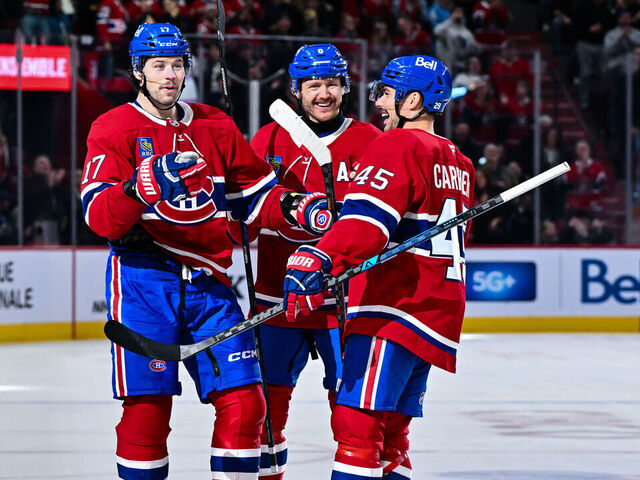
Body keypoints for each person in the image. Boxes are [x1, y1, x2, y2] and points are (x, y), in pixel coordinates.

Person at [81, 23, 332, 480]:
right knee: (148, 411)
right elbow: (99, 216)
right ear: (139, 72)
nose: (169, 76)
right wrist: (141, 187)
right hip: (143, 281)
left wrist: (295, 206)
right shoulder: (113, 127)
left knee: (246, 405)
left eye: (177, 65)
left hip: (210, 284)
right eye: (158, 66)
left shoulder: (215, 124)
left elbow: (255, 198)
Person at [281, 55, 476, 479]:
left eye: (387, 94)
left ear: (413, 100)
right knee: (392, 439)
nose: (379, 104)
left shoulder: (395, 144)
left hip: (394, 306)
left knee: (357, 432)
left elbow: (368, 224)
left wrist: (320, 256)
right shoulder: (460, 161)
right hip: (436, 312)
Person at [247, 44, 381, 479]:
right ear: (296, 90)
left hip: (344, 305)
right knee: (263, 418)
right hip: (276, 301)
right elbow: (244, 214)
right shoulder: (267, 139)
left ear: (345, 87)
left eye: (332, 84)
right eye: (313, 85)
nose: (324, 94)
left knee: (355, 419)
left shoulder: (370, 142)